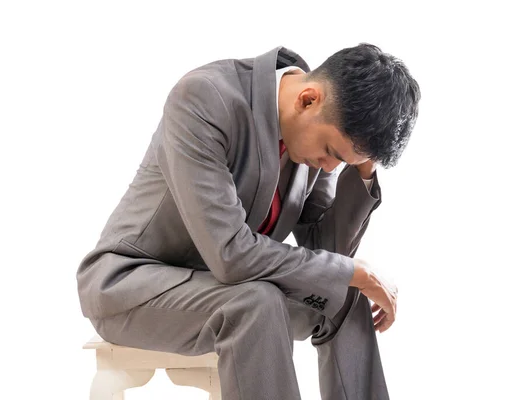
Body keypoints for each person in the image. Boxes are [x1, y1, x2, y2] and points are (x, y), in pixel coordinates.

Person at [76, 44, 421, 399]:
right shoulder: (204, 97)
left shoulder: (315, 135)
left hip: (226, 289)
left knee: (344, 292)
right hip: (131, 284)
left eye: (343, 162)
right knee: (258, 301)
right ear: (307, 99)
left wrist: (363, 169)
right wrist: (350, 270)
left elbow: (326, 252)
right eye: (333, 153)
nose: (330, 167)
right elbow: (231, 255)